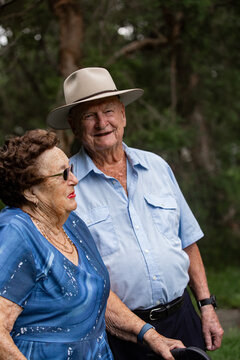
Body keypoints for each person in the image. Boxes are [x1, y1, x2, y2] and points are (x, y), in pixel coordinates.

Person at [47, 67, 224, 360]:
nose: (102, 123)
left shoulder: (157, 166)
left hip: (183, 318)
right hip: (118, 333)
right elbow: (76, 277)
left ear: (123, 115)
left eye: (109, 111)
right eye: (89, 115)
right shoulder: (64, 183)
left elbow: (187, 241)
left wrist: (206, 305)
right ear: (74, 125)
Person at [0, 129, 114, 359]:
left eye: (70, 170)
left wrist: (147, 333)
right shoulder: (16, 233)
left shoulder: (70, 222)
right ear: (30, 191)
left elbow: (95, 291)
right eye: (62, 174)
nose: (74, 179)